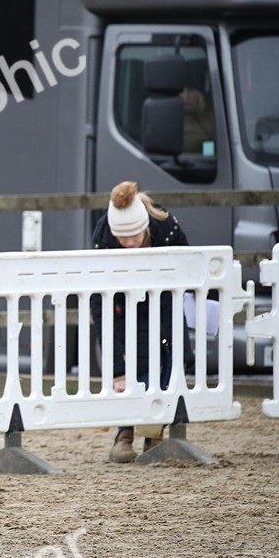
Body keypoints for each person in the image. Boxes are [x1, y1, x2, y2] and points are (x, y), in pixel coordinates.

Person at [89, 180, 190, 463]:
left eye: (134, 236)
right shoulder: (103, 235)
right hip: (123, 306)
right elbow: (99, 303)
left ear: (145, 226)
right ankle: (125, 434)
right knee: (136, 364)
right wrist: (116, 370)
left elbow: (189, 266)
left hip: (164, 303)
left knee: (169, 363)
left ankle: (154, 435)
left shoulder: (167, 227)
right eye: (122, 239)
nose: (130, 244)